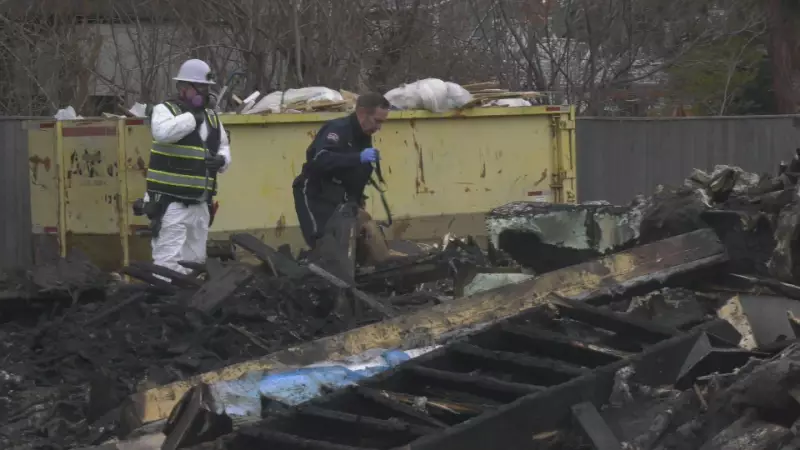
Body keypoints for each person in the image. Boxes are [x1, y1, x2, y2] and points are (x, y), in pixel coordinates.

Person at [143, 59, 232, 274]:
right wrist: (192, 118)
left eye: (207, 88)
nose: (205, 93)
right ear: (183, 88)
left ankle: (189, 301)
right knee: (168, 261)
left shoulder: (212, 117)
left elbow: (223, 146)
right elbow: (163, 134)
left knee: (195, 262)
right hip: (171, 204)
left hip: (200, 204)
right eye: (200, 87)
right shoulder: (165, 111)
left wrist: (222, 160)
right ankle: (163, 302)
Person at [292, 92, 390, 250]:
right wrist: (357, 157)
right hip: (315, 193)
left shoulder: (364, 135)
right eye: (377, 121)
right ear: (362, 113)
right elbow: (321, 159)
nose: (379, 127)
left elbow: (354, 175)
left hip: (340, 197)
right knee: (324, 243)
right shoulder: (338, 129)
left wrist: (357, 202)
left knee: (357, 243)